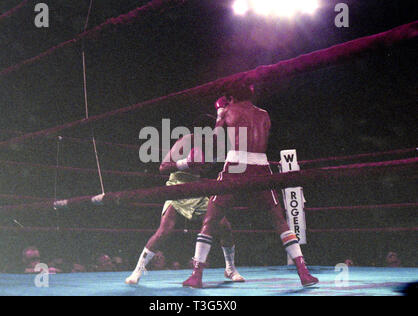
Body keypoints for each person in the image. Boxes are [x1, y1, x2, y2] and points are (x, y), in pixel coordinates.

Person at [182, 86, 319, 288]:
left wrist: (220, 115)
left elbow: (215, 140)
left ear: (231, 96)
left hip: (236, 166)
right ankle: (303, 272)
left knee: (210, 220)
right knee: (279, 221)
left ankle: (196, 275)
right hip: (261, 168)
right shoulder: (264, 114)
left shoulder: (228, 111)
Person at [125, 133, 244, 284]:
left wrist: (207, 163)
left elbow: (203, 168)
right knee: (164, 231)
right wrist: (186, 163)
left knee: (224, 226)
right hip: (177, 187)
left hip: (195, 188)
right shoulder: (186, 141)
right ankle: (138, 271)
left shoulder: (213, 147)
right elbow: (163, 167)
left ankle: (230, 269)